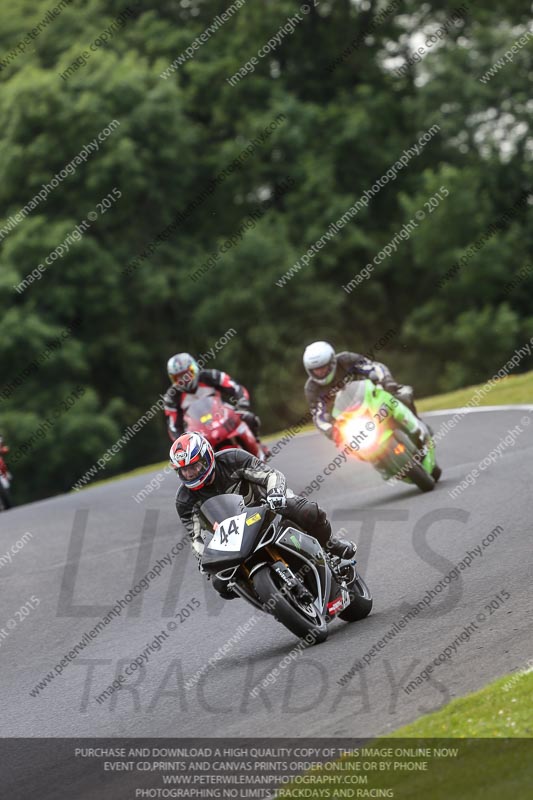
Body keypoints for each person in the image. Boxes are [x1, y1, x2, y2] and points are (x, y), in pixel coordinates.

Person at [171, 432, 356, 598]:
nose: (190, 473)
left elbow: (270, 475)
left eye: (194, 466)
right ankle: (265, 594)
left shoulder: (232, 458)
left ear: (207, 457)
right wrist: (205, 559)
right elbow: (195, 537)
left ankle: (331, 545)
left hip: (268, 507)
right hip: (233, 537)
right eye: (184, 470)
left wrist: (275, 493)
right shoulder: (184, 500)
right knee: (220, 584)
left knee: (307, 511)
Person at [303, 340, 424, 441]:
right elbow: (318, 417)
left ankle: (419, 426)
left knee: (403, 394)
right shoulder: (312, 389)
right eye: (315, 370)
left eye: (323, 367)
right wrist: (331, 431)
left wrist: (387, 381)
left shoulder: (346, 360)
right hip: (347, 418)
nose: (320, 372)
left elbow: (374, 366)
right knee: (349, 446)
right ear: (309, 370)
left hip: (370, 397)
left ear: (332, 361)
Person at [163, 352, 263, 445]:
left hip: (223, 414)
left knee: (250, 418)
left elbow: (236, 388)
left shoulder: (211, 376)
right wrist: (181, 440)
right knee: (186, 456)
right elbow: (173, 426)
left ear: (194, 369)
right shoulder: (171, 397)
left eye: (187, 374)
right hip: (196, 430)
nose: (184, 380)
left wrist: (242, 402)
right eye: (178, 377)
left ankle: (258, 447)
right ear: (173, 379)